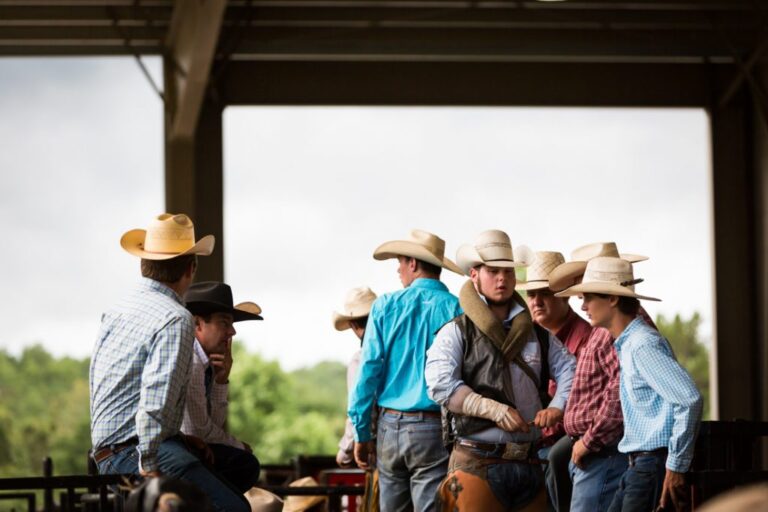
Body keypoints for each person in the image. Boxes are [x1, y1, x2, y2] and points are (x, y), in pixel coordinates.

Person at [89, 213, 250, 512]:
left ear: (143, 263)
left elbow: (97, 382)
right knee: (235, 509)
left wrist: (181, 438)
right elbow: (155, 400)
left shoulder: (117, 309)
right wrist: (149, 467)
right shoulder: (175, 317)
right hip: (137, 453)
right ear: (191, 268)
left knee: (240, 468)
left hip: (106, 452)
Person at [425, 230, 576, 511]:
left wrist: (558, 406)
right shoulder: (456, 331)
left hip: (529, 462)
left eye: (507, 271)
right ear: (474, 275)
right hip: (476, 462)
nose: (502, 279)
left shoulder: (538, 335)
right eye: (493, 271)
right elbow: (439, 384)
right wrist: (493, 410)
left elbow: (570, 370)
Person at [556, 257, 703, 512]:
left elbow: (689, 399)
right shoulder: (627, 344)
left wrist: (676, 465)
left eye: (588, 297)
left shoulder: (642, 345)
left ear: (612, 299)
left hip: (651, 462)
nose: (583, 306)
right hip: (638, 463)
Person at [348, 229, 463, 512]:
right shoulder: (456, 308)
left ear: (413, 263)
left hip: (389, 427)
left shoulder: (385, 306)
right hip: (432, 426)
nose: (398, 269)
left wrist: (362, 433)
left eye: (400, 262)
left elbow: (369, 371)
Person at [517, 250, 592, 511]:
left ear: (564, 296)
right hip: (534, 438)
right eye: (532, 294)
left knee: (553, 462)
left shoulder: (586, 337)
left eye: (545, 294)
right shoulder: (529, 338)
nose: (536, 301)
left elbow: (585, 399)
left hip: (568, 436)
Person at [181, 281, 263, 493]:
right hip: (172, 449)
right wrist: (238, 445)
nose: (233, 331)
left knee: (241, 464)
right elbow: (198, 432)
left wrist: (220, 381)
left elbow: (210, 427)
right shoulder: (191, 358)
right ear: (198, 324)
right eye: (225, 323)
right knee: (244, 463)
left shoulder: (204, 364)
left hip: (187, 447)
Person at [332, 286, 378, 468]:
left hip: (379, 445)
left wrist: (346, 449)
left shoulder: (360, 359)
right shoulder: (398, 349)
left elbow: (359, 405)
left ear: (352, 325)